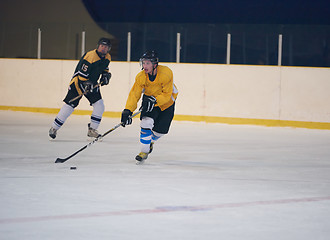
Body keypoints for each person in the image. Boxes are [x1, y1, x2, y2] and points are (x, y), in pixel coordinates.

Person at [121, 50, 178, 164]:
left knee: (161, 131)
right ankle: (144, 151)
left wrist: (155, 100)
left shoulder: (166, 73)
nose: (145, 66)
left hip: (167, 103)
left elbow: (167, 95)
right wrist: (128, 110)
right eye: (143, 63)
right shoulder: (141, 77)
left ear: (155, 64)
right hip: (149, 99)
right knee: (146, 122)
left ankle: (150, 141)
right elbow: (134, 94)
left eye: (148, 63)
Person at [49, 37, 112, 139]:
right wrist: (87, 84)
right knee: (69, 106)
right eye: (102, 46)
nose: (103, 49)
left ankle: (92, 130)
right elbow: (81, 75)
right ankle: (54, 128)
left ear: (109, 49)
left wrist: (105, 75)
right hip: (78, 84)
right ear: (98, 46)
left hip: (92, 84)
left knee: (99, 105)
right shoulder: (90, 56)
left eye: (106, 47)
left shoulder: (108, 57)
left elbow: (105, 68)